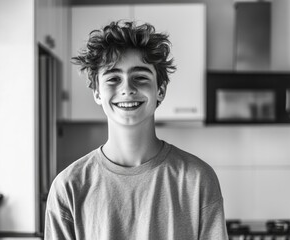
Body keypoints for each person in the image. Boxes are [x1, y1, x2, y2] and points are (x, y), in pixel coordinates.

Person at [45, 20, 228, 240]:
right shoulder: (68, 187)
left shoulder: (197, 179)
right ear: (97, 93)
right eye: (113, 78)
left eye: (140, 77)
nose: (127, 89)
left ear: (160, 90)